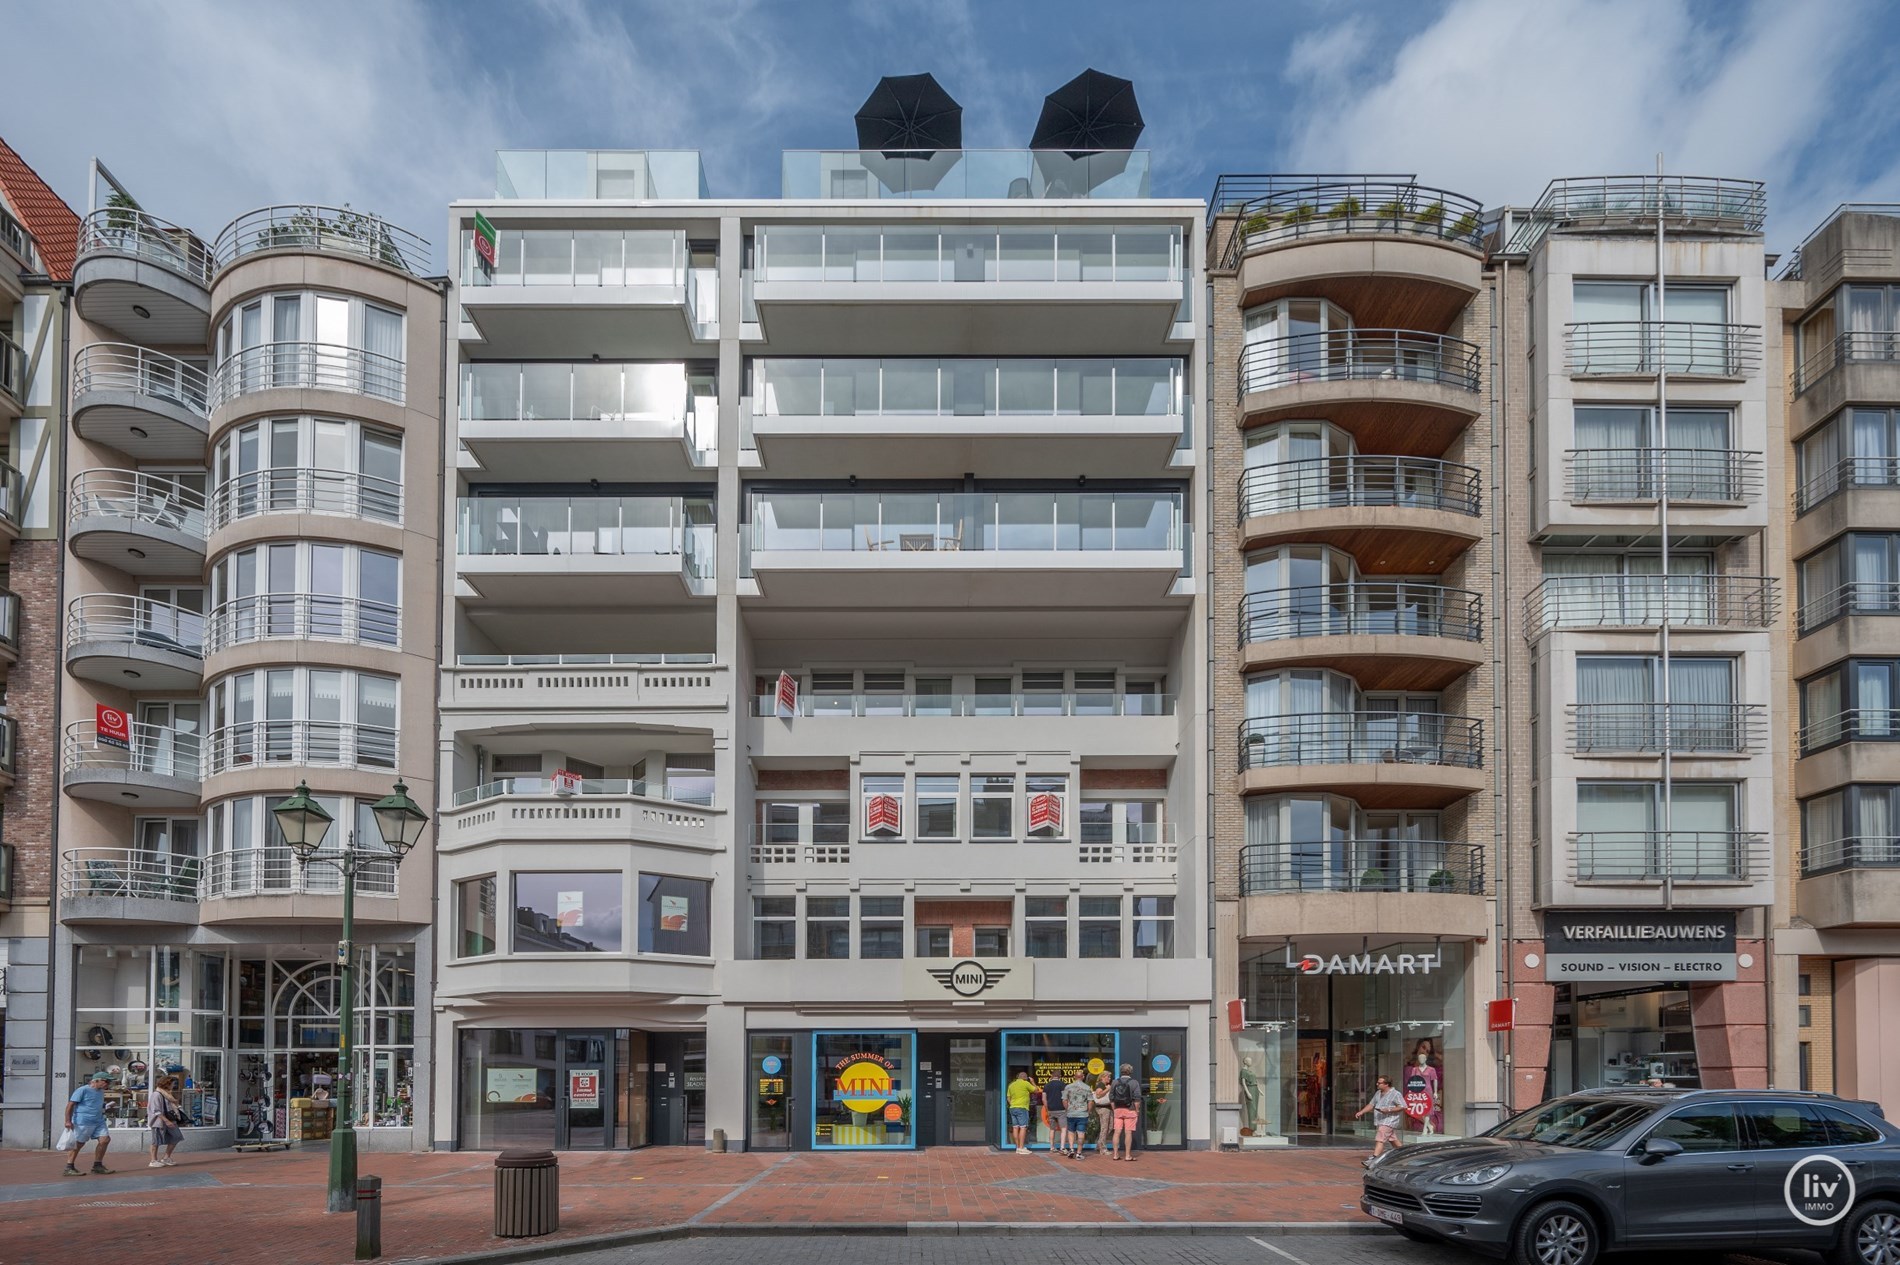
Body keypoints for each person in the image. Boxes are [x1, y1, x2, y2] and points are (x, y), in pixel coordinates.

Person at [61, 1072, 115, 1177]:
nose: (108, 1084)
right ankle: (69, 1167)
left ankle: (97, 1165)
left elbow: (95, 1103)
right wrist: (68, 1120)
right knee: (79, 1144)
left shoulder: (100, 1092)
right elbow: (70, 1105)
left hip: (98, 1120)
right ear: (97, 1080)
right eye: (106, 1081)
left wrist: (106, 1106)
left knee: (105, 1140)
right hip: (83, 1121)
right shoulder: (82, 1090)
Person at [1353, 1074, 1408, 1166]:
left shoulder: (1395, 1094)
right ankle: (1405, 1155)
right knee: (1392, 1139)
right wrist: (1362, 1112)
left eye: (1379, 1083)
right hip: (1380, 1120)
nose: (1377, 1084)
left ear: (1386, 1084)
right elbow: (1371, 1104)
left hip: (1389, 1120)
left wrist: (1389, 1109)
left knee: (1380, 1138)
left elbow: (1403, 1106)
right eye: (1377, 1082)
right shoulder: (1378, 1093)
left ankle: (1374, 1159)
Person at [148, 1077, 185, 1167]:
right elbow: (156, 1110)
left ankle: (166, 1157)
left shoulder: (167, 1094)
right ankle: (153, 1160)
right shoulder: (157, 1094)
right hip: (159, 1121)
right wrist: (166, 1121)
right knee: (156, 1140)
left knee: (177, 1136)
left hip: (169, 1119)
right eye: (172, 1083)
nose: (173, 1085)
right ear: (166, 1084)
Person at [1109, 1062, 1142, 1161]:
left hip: (1118, 1109)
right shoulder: (1134, 1082)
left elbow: (1111, 1097)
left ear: (1121, 1071)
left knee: (1117, 1132)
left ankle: (1115, 1154)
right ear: (1130, 1072)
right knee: (1128, 1133)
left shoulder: (1115, 1082)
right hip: (1130, 1109)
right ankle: (1127, 1155)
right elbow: (1137, 1098)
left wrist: (1114, 1108)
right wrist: (1137, 1110)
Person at [1062, 1069, 1092, 1159]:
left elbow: (1064, 1100)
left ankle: (1071, 1149)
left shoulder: (1068, 1087)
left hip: (1071, 1113)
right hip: (1082, 1113)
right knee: (1081, 1133)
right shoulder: (1087, 1087)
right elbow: (1090, 1101)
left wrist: (1067, 1109)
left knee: (1071, 1131)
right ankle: (1079, 1152)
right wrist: (1088, 1111)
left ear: (1074, 1077)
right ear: (1083, 1077)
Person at [1005, 1069, 1034, 1154]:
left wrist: (1012, 1104)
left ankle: (1017, 1147)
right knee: (1023, 1127)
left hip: (1013, 1107)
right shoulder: (1025, 1083)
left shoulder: (1011, 1085)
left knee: (1015, 1127)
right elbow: (1036, 1090)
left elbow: (1008, 1098)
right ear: (1025, 1078)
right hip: (1022, 1108)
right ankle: (1021, 1148)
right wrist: (1032, 1082)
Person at [1042, 1069, 1068, 1152]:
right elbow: (1065, 1098)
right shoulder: (1062, 1085)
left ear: (1052, 1075)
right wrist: (1067, 1108)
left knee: (1052, 1129)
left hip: (1051, 1109)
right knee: (1063, 1128)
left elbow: (1043, 1099)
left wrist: (1047, 1108)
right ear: (1059, 1076)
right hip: (1061, 1109)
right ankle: (1062, 1147)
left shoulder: (1046, 1085)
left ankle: (1052, 1147)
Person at [1091, 1073, 1113, 1158]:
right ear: (1103, 1077)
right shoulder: (1100, 1084)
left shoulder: (1104, 1085)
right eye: (1108, 1076)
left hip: (1107, 1108)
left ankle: (1099, 1144)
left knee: (1110, 1126)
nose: (1109, 1078)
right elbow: (1098, 1094)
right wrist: (1108, 1089)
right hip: (1103, 1108)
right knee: (1105, 1127)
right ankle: (1102, 1149)